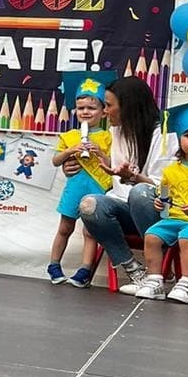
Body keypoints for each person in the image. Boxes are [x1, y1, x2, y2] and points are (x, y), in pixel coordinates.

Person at [78, 76, 174, 289]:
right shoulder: (117, 130)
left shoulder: (164, 134)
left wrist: (134, 178)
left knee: (139, 192)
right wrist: (104, 162)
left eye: (109, 105)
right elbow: (120, 176)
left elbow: (165, 187)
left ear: (128, 106)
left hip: (157, 210)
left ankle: (157, 269)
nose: (104, 111)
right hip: (125, 208)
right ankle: (134, 270)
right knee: (89, 204)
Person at [121, 102, 188, 304]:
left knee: (187, 237)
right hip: (175, 218)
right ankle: (155, 280)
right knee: (152, 235)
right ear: (180, 139)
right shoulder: (171, 170)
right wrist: (159, 203)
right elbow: (164, 196)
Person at [47, 70, 114, 287]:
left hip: (96, 188)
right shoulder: (69, 136)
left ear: (103, 112)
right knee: (65, 227)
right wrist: (70, 151)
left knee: (90, 231)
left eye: (92, 108)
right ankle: (54, 264)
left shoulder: (108, 136)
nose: (86, 112)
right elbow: (56, 161)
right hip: (75, 187)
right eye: (81, 108)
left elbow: (112, 165)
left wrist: (100, 153)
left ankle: (85, 269)